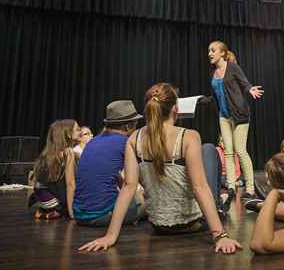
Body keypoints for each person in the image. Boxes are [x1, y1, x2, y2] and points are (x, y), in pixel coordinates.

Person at [79, 83, 241, 254]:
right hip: (195, 224)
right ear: (176, 109)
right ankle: (220, 207)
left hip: (159, 227)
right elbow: (199, 187)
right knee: (208, 149)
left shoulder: (134, 138)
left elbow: (128, 187)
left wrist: (110, 236)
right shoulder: (189, 136)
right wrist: (220, 235)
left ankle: (220, 204)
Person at [199, 40, 263, 199]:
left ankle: (249, 188)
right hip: (224, 116)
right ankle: (231, 186)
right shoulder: (212, 74)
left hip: (240, 115)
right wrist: (200, 100)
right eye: (208, 51)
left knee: (240, 151)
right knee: (228, 151)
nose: (209, 54)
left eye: (213, 50)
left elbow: (244, 83)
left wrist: (250, 89)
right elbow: (214, 98)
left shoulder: (232, 67)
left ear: (222, 53)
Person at [72, 100, 146, 227]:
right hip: (102, 215)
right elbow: (144, 179)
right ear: (127, 127)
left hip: (79, 215)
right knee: (150, 202)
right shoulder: (126, 143)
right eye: (135, 124)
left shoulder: (92, 142)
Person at [29, 119, 80, 219]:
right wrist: (71, 213)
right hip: (52, 201)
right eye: (77, 129)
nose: (81, 131)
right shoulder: (68, 153)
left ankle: (47, 211)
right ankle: (57, 211)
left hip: (41, 198)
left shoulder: (49, 154)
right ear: (68, 134)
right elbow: (70, 185)